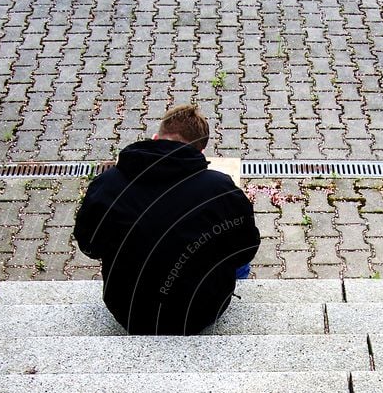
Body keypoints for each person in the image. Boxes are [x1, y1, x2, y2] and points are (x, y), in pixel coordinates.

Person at [73, 104, 260, 335]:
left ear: (155, 138)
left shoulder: (107, 184)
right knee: (239, 260)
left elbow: (89, 246)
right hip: (200, 312)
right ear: (200, 153)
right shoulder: (220, 189)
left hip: (128, 311)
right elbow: (246, 249)